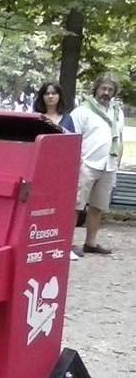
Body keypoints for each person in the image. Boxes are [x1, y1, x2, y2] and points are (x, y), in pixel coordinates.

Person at [69, 73, 125, 257]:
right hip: (86, 164)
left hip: (108, 165)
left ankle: (90, 243)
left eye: (110, 89)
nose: (106, 92)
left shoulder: (117, 112)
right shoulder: (82, 111)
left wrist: (117, 162)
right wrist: (76, 162)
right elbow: (72, 138)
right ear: (96, 88)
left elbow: (120, 138)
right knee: (76, 205)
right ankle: (67, 242)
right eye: (103, 88)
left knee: (98, 206)